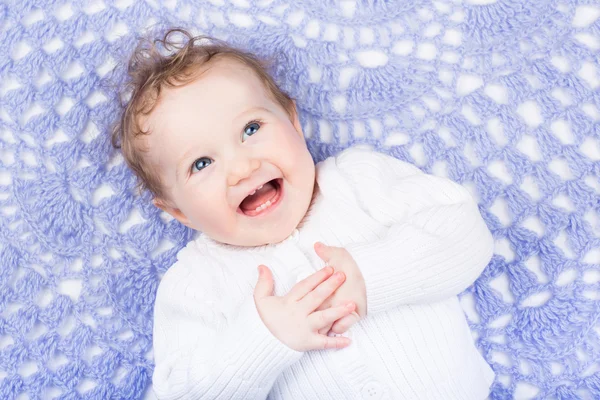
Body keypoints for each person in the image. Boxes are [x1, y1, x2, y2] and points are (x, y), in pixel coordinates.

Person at [112, 28, 496, 400]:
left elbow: (464, 232)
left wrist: (371, 276)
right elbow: (180, 392)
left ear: (293, 122)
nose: (242, 168)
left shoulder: (357, 181)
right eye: (201, 163)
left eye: (250, 128)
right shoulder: (197, 284)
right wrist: (263, 340)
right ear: (179, 212)